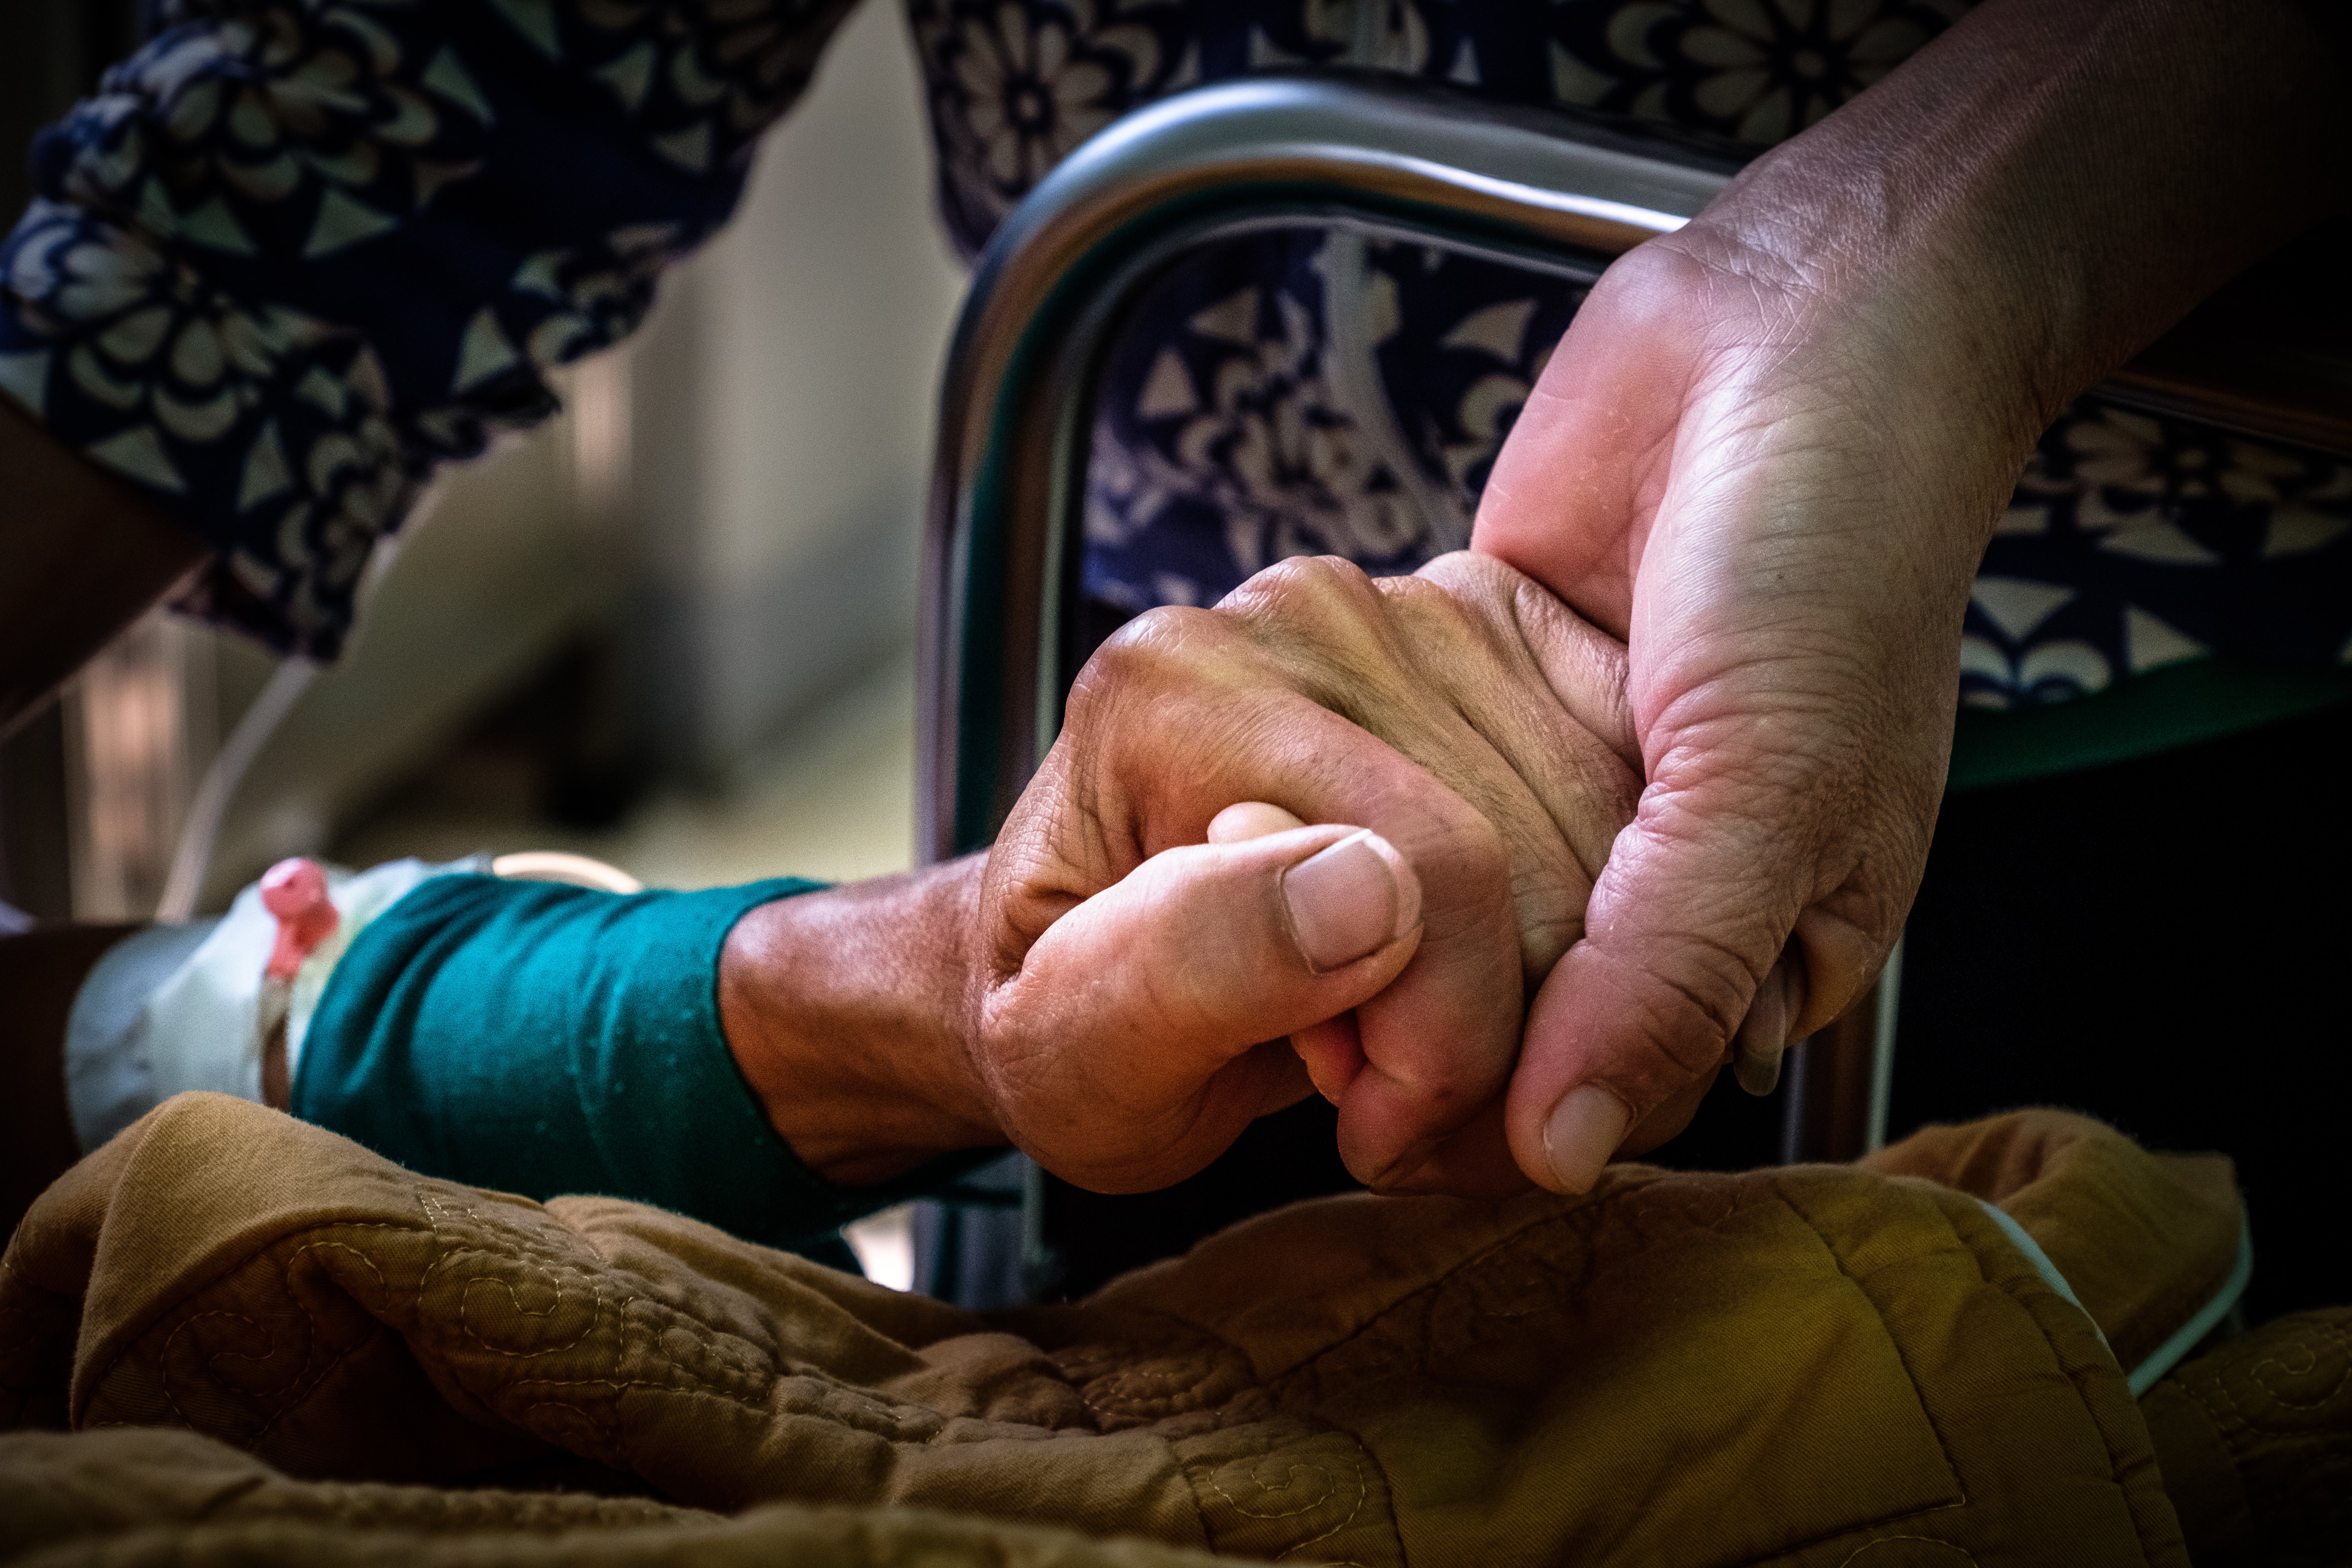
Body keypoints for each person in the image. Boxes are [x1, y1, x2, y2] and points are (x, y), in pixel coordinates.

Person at [2, 0, 2347, 1301]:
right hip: (1177, 851)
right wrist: (949, 986)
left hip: (2205, 721)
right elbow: (381, 114)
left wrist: (1931, 252)